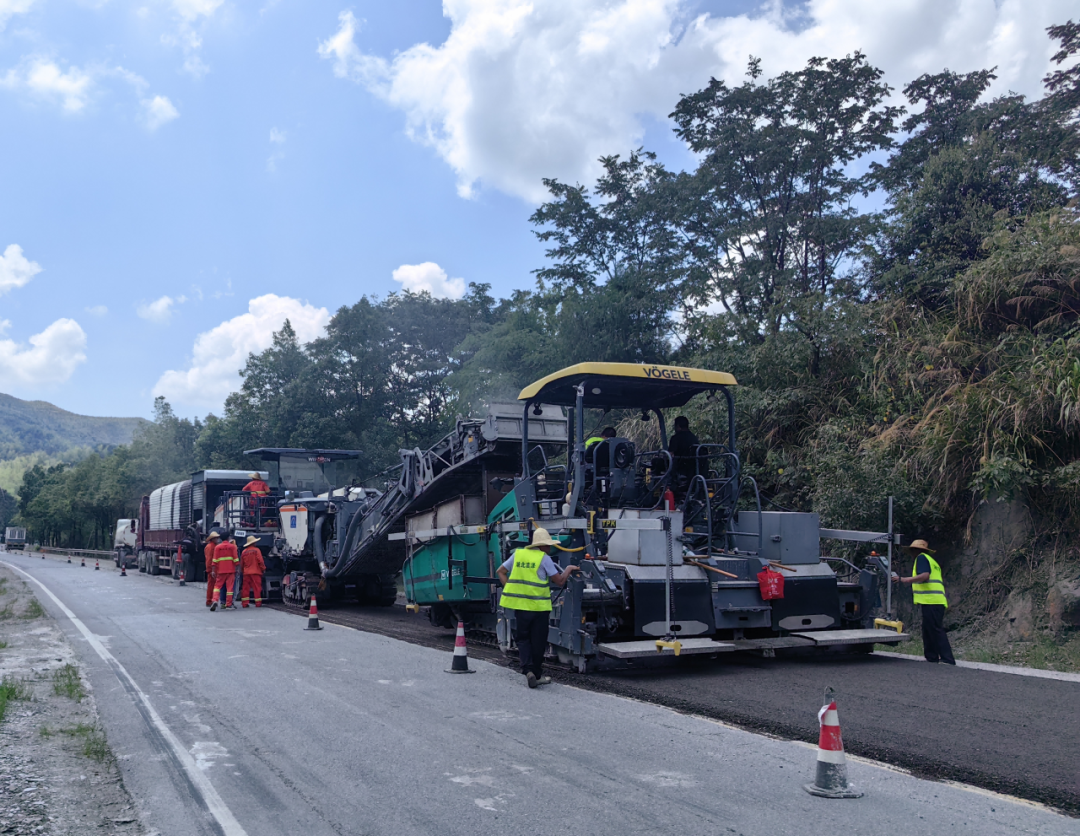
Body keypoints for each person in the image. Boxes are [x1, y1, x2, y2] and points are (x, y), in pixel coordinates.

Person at [496, 528, 581, 688]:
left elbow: (500, 571)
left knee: (523, 639)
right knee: (538, 641)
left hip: (521, 607)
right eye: (547, 545)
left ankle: (527, 670)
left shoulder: (518, 554)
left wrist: (511, 589)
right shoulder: (544, 558)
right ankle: (536, 674)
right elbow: (560, 581)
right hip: (539, 609)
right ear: (541, 546)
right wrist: (569, 569)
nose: (549, 548)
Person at [892, 538, 955, 665]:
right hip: (933, 601)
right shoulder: (930, 560)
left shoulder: (921, 558)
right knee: (929, 629)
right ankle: (931, 657)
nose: (911, 553)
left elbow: (925, 576)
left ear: (916, 550)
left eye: (912, 550)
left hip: (932, 600)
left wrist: (905, 579)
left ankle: (947, 658)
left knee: (935, 629)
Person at [667, 415, 701, 487]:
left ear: (678, 426)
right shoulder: (694, 438)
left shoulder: (675, 438)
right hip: (694, 468)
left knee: (657, 463)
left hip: (680, 468)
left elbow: (670, 455)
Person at [210, 533, 239, 611]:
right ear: (228, 538)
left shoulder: (217, 547)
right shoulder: (232, 547)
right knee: (230, 588)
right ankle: (228, 605)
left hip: (220, 570)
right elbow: (236, 559)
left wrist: (213, 571)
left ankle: (215, 600)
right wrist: (237, 568)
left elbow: (214, 560)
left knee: (217, 587)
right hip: (231, 570)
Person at [240, 536, 266, 608]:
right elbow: (260, 561)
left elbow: (242, 563)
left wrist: (242, 571)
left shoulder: (244, 552)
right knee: (257, 588)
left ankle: (245, 603)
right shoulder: (256, 550)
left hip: (246, 573)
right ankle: (258, 603)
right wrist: (263, 569)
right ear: (253, 543)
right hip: (256, 572)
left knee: (245, 588)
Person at [204, 531, 220, 608]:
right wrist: (210, 569)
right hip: (212, 569)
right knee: (211, 585)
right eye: (216, 538)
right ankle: (209, 600)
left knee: (212, 585)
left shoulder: (211, 546)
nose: (217, 539)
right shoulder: (211, 547)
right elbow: (209, 559)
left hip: (213, 568)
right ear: (212, 539)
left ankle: (211, 600)